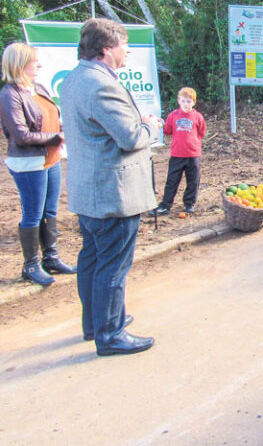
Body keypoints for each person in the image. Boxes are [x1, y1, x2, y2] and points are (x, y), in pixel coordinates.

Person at [60, 18, 160, 356]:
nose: (127, 50)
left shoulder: (75, 80)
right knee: (112, 267)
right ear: (107, 49)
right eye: (123, 45)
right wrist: (149, 127)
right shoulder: (101, 85)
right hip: (112, 192)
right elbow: (130, 137)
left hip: (89, 190)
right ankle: (110, 334)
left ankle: (95, 322)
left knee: (92, 259)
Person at [0, 42, 75, 286]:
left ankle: (51, 257)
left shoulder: (38, 87)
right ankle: (30, 265)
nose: (39, 65)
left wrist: (62, 130)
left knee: (50, 210)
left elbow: (53, 117)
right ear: (20, 64)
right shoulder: (9, 94)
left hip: (51, 158)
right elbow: (20, 135)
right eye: (34, 61)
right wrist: (57, 137)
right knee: (33, 213)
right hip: (29, 162)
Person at [150, 87, 207, 216]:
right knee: (172, 180)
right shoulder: (173, 115)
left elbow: (202, 132)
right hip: (177, 154)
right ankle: (166, 205)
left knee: (193, 180)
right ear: (179, 101)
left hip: (193, 154)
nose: (186, 104)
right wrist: (159, 123)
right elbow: (168, 131)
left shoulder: (197, 117)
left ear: (193, 102)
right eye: (183, 101)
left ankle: (189, 203)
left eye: (189, 101)